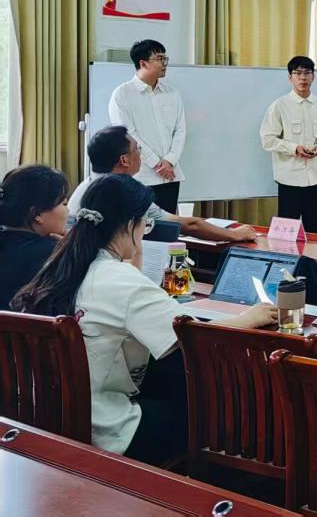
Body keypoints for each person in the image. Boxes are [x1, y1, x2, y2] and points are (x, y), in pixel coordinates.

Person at [12, 174, 276, 464]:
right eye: (145, 224)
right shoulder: (118, 278)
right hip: (106, 428)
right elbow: (192, 335)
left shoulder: (60, 265)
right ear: (131, 224)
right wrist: (251, 317)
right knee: (214, 410)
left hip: (45, 418)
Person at [71, 126, 257, 243]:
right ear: (124, 160)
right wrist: (236, 234)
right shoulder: (121, 190)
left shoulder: (85, 186)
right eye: (138, 149)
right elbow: (190, 225)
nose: (140, 155)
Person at [260, 56, 317, 233]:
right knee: (286, 232)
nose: (303, 77)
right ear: (290, 77)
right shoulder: (279, 106)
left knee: (314, 231)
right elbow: (267, 139)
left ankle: (312, 253)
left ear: (313, 76)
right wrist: (294, 149)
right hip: (290, 180)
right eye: (298, 73)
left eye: (307, 73)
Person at [108, 39, 186, 215]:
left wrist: (170, 161)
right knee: (140, 225)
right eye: (159, 58)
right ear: (143, 63)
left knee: (169, 226)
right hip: (141, 176)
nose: (164, 63)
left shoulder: (172, 93)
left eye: (165, 58)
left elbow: (180, 130)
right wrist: (158, 164)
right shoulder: (122, 94)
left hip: (170, 176)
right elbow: (128, 135)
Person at [0, 165, 69, 310]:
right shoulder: (54, 254)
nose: (68, 211)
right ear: (37, 214)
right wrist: (71, 247)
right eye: (64, 203)